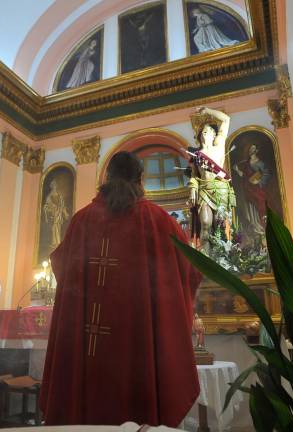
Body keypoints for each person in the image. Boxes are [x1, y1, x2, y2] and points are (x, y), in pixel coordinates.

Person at [40, 151, 202, 426]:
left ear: (107, 178)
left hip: (87, 346)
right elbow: (190, 272)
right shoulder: (160, 221)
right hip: (138, 346)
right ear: (140, 179)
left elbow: (61, 265)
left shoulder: (82, 220)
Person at [188, 107, 236, 252]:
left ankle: (222, 257)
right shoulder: (197, 154)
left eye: (207, 131)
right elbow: (194, 176)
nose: (204, 133)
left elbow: (226, 119)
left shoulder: (219, 147)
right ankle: (206, 257)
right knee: (205, 223)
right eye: (203, 131)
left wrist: (208, 110)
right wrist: (192, 188)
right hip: (204, 190)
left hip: (219, 190)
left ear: (214, 134)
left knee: (220, 224)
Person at [43, 179, 70, 250]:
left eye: (55, 185)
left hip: (59, 214)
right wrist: (52, 208)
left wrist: (65, 213)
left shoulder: (60, 196)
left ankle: (57, 242)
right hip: (53, 214)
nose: (54, 187)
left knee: (58, 227)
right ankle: (55, 242)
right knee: (54, 227)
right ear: (52, 186)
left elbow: (63, 206)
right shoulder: (49, 197)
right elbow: (47, 206)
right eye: (53, 185)